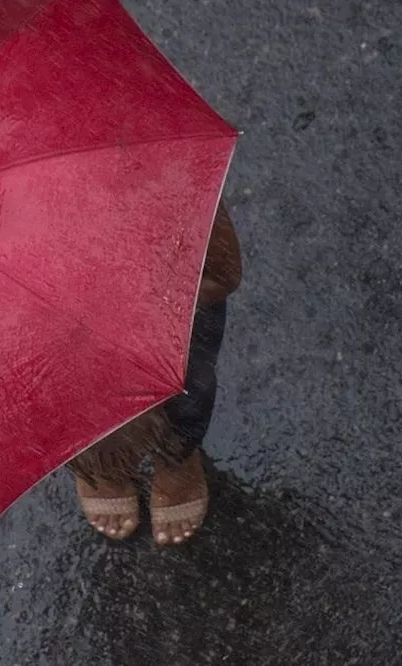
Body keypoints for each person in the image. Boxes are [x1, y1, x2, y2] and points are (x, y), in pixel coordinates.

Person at [69, 200, 242, 545]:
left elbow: (220, 276)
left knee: (186, 381)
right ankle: (101, 461)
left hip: (168, 291)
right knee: (61, 388)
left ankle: (175, 454)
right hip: (50, 306)